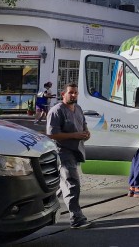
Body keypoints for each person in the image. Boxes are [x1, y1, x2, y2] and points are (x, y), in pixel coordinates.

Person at [46, 84, 93, 229]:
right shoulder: (56, 111)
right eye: (70, 93)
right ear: (63, 94)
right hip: (63, 151)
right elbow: (52, 134)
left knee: (62, 185)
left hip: (76, 150)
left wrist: (86, 133)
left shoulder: (78, 109)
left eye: (76, 93)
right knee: (72, 183)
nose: (73, 95)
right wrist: (74, 135)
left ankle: (45, 208)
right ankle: (76, 219)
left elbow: (83, 125)